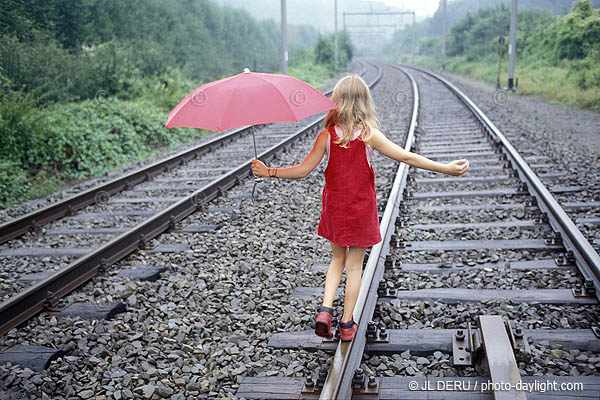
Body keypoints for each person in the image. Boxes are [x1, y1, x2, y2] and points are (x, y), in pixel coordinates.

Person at [251, 74, 469, 342]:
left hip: (334, 209)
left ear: (337, 102)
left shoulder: (326, 137)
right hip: (360, 210)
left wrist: (269, 171)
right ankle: (346, 323)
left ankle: (325, 309)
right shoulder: (369, 136)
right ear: (364, 103)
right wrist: (444, 168)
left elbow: (302, 171)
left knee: (336, 261)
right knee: (355, 267)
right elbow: (406, 156)